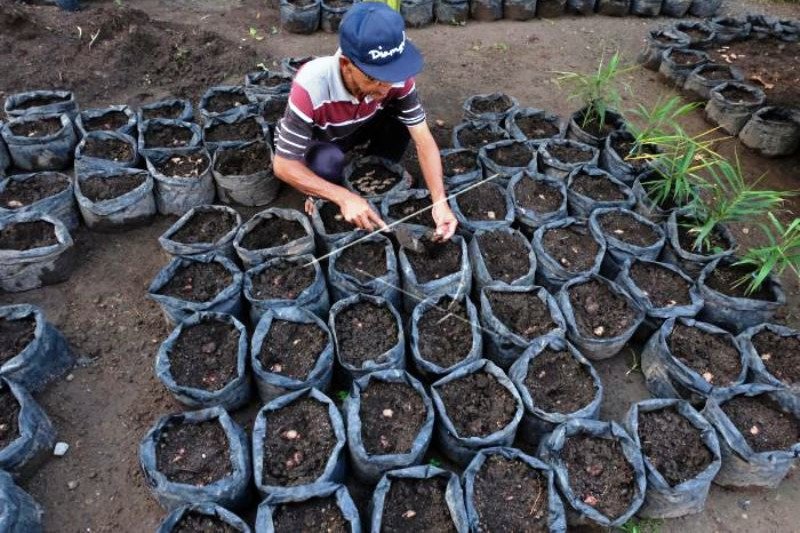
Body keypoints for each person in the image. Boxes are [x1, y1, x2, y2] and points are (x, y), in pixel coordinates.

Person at [272, 2, 458, 241]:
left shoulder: (395, 79)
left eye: (391, 76)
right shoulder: (311, 84)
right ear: (346, 65)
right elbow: (283, 165)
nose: (385, 87)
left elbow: (423, 138)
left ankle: (375, 169)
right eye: (375, 78)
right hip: (319, 139)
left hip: (357, 126)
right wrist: (342, 197)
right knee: (328, 162)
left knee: (404, 122)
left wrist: (439, 201)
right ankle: (321, 193)